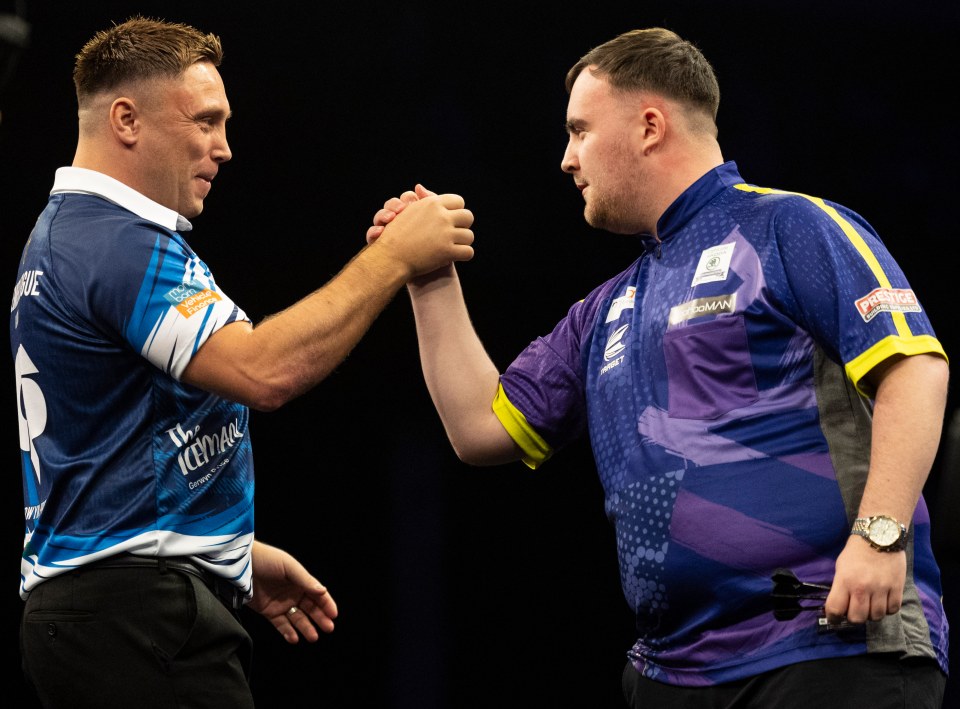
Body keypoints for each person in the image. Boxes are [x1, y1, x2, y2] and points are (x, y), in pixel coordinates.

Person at [369, 27, 950, 708]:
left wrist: (881, 536)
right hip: (670, 675)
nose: (566, 158)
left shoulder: (792, 226)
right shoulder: (606, 307)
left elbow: (915, 368)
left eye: (580, 130)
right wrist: (428, 279)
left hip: (828, 646)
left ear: (649, 126)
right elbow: (479, 427)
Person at [11, 15, 474, 709]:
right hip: (135, 621)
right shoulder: (114, 243)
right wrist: (396, 256)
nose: (223, 148)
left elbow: (101, 446)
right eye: (205, 121)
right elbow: (264, 371)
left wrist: (224, 553)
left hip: (104, 612)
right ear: (126, 119)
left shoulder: (70, 237)